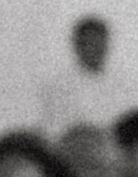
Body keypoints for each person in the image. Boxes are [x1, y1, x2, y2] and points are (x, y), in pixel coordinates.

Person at [39, 14, 122, 143]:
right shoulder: (60, 85)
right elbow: (54, 130)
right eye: (90, 43)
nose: (96, 49)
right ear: (78, 46)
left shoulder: (121, 84)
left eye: (100, 43)